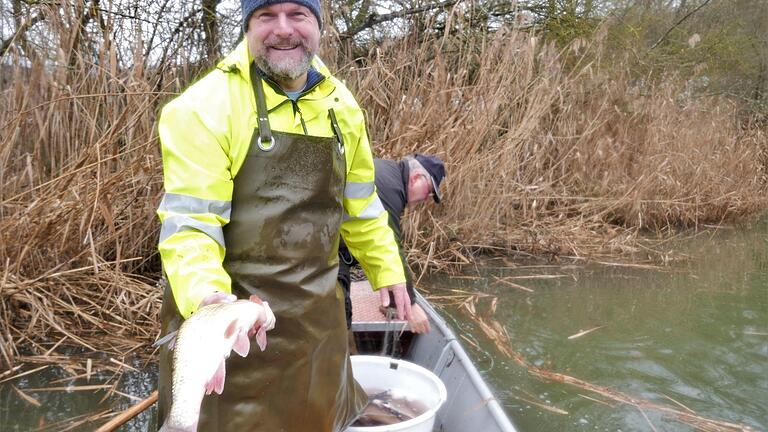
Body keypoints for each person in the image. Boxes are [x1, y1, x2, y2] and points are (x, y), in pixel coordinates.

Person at [154, 1, 412, 430]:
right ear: (247, 26)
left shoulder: (342, 107)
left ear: (318, 25)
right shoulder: (201, 107)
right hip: (236, 335)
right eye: (266, 16)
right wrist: (209, 303)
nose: (283, 30)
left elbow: (362, 208)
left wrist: (388, 269)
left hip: (318, 331)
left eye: (298, 15)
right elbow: (190, 229)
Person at [338, 155, 446, 334]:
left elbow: (377, 244)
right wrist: (410, 306)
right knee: (341, 317)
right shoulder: (391, 189)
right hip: (324, 247)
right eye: (429, 191)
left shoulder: (389, 175)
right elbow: (393, 248)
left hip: (332, 241)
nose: (427, 198)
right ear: (416, 178)